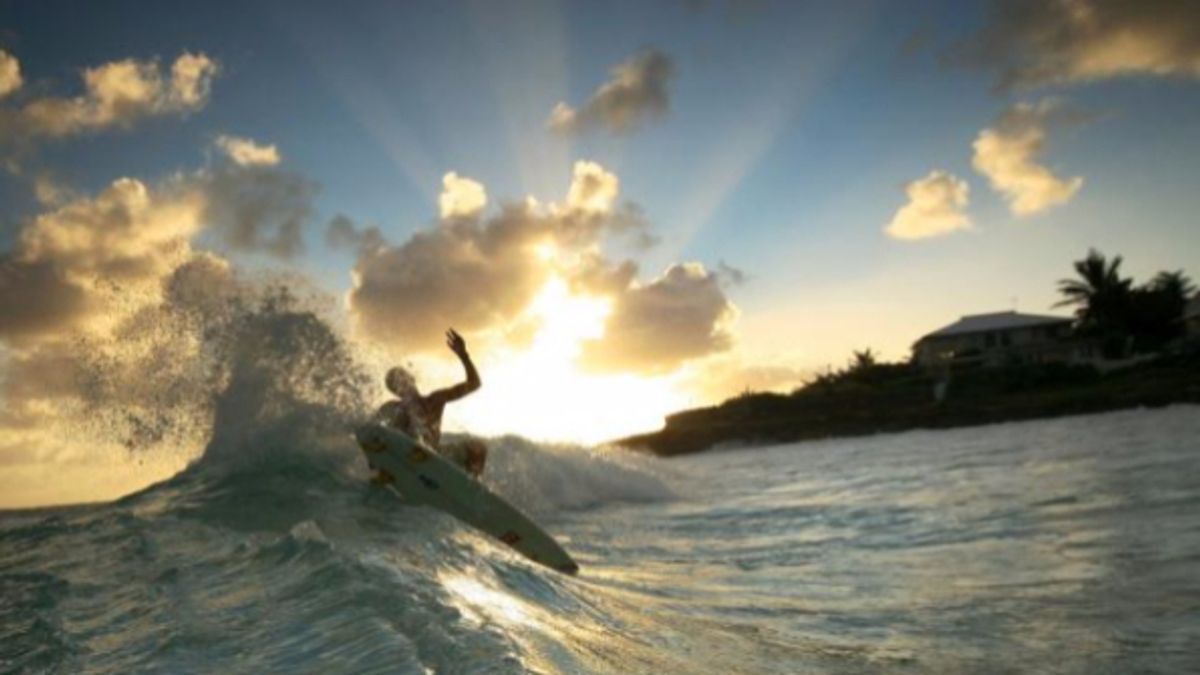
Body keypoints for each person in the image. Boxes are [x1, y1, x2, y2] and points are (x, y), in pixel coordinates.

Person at [373, 328, 488, 478]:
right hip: (406, 453)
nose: (401, 385)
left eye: (402, 378)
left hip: (435, 456)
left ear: (412, 379)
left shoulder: (436, 399)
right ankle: (391, 467)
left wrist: (463, 355)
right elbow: (373, 431)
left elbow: (474, 384)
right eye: (395, 384)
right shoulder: (392, 408)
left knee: (478, 446)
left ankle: (470, 487)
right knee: (397, 411)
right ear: (396, 392)